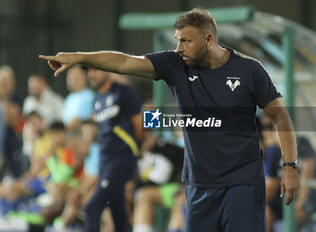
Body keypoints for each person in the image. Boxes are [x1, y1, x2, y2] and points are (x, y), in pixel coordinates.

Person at [39, 8, 299, 232]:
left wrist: (290, 166)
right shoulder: (175, 65)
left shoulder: (249, 70)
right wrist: (79, 57)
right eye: (177, 40)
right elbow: (125, 63)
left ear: (208, 39)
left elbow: (281, 117)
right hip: (199, 186)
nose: (179, 48)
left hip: (241, 183)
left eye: (186, 41)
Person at [79, 68, 142, 232]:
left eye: (96, 70)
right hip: (105, 161)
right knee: (118, 214)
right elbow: (103, 130)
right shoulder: (96, 99)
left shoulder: (123, 92)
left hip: (121, 160)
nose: (91, 74)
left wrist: (136, 149)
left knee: (92, 207)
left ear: (108, 70)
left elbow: (139, 124)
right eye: (89, 71)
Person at [62, 65, 95, 131]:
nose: (69, 80)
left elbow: (77, 122)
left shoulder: (89, 96)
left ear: (83, 78)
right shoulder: (69, 98)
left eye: (74, 77)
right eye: (69, 77)